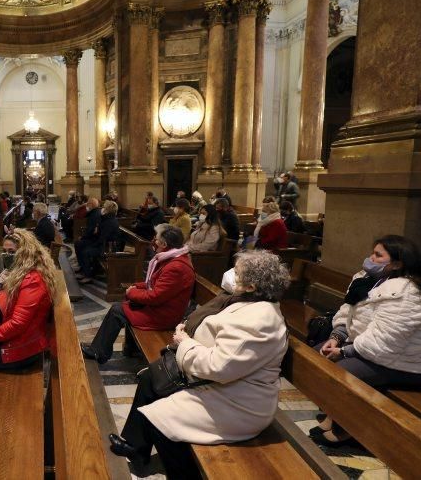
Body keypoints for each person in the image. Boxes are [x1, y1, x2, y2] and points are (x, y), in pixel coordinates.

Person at [108, 251, 291, 476]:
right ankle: (136, 448)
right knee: (150, 378)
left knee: (159, 421)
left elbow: (218, 367)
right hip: (226, 387)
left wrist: (185, 343)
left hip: (239, 404)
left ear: (252, 286)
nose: (232, 275)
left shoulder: (260, 320)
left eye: (238, 273)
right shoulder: (250, 303)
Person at [313, 236, 421, 445]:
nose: (370, 258)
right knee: (318, 353)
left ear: (397, 263)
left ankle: (350, 429)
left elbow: (386, 340)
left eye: (378, 255)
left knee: (342, 371)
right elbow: (348, 311)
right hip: (375, 350)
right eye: (372, 252)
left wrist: (345, 352)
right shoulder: (368, 279)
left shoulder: (407, 292)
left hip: (410, 363)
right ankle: (334, 414)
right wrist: (337, 337)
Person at [82, 224, 195, 364]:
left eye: (156, 239)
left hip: (163, 315)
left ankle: (99, 352)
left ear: (164, 244)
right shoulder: (172, 258)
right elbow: (154, 283)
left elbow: (156, 296)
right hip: (160, 308)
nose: (153, 241)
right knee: (126, 307)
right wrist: (136, 286)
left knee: (118, 310)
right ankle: (129, 348)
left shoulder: (176, 267)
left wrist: (132, 292)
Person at [0, 230, 61, 370]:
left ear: (25, 252)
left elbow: (17, 324)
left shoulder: (33, 280)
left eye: (11, 251)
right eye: (4, 251)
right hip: (19, 338)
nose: (6, 255)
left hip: (23, 348)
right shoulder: (20, 272)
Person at [75, 200, 120, 284]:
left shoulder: (110, 222)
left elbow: (103, 238)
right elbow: (99, 233)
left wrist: (93, 244)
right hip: (103, 244)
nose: (102, 209)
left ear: (108, 210)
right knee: (82, 246)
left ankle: (88, 276)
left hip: (106, 248)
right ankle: (86, 271)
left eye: (104, 207)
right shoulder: (107, 219)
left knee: (86, 252)